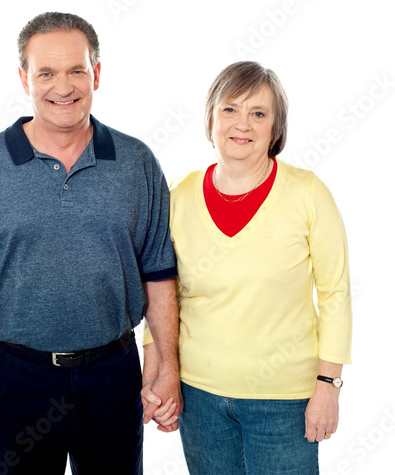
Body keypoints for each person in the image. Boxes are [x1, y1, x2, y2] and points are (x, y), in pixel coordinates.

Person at [0, 12, 181, 475]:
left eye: (77, 70)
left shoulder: (137, 163)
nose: (62, 87)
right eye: (46, 72)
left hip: (113, 375)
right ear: (24, 78)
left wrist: (167, 364)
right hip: (18, 379)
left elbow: (159, 276)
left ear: (97, 74)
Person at [142, 61, 352, 474]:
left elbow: (335, 294)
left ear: (276, 128)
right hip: (199, 398)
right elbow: (161, 294)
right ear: (210, 119)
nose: (243, 124)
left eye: (259, 113)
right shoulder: (180, 195)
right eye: (230, 109)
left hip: (285, 402)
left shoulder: (308, 193)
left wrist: (329, 386)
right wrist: (156, 379)